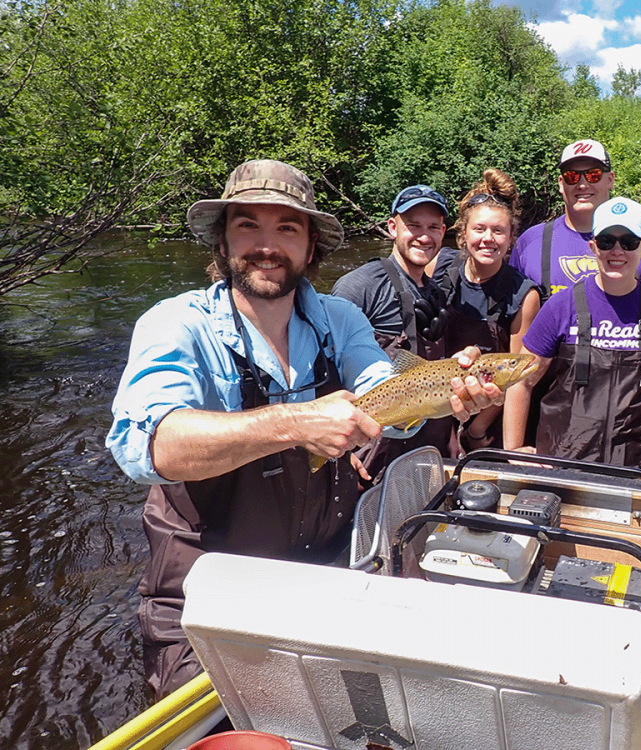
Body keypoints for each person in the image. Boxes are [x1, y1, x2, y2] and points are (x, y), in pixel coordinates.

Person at [106, 160, 501, 699]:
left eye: (287, 228)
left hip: (326, 568)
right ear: (221, 243)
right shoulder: (176, 325)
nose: (266, 245)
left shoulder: (341, 319)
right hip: (207, 589)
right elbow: (148, 447)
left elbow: (387, 393)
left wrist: (446, 393)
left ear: (311, 247)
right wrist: (294, 422)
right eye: (248, 225)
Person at [505, 197, 641, 470]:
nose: (617, 251)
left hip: (637, 468)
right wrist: (514, 449)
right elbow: (521, 381)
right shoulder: (561, 305)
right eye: (607, 242)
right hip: (560, 463)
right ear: (593, 246)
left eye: (629, 242)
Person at [331, 184, 460, 480]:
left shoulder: (436, 293)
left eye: (433, 227)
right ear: (392, 227)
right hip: (372, 447)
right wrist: (341, 450)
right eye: (413, 226)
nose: (424, 237)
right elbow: (326, 367)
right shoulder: (359, 286)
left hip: (428, 442)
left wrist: (449, 432)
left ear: (443, 232)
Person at [430, 169, 542, 452]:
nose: (488, 238)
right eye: (479, 229)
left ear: (511, 237)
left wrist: (476, 429)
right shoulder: (438, 267)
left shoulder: (524, 295)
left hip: (490, 417)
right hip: (434, 400)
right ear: (463, 232)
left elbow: (520, 375)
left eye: (498, 231)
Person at [509, 138, 641, 305]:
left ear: (610, 179)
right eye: (572, 177)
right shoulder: (530, 242)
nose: (583, 184)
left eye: (593, 175)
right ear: (561, 184)